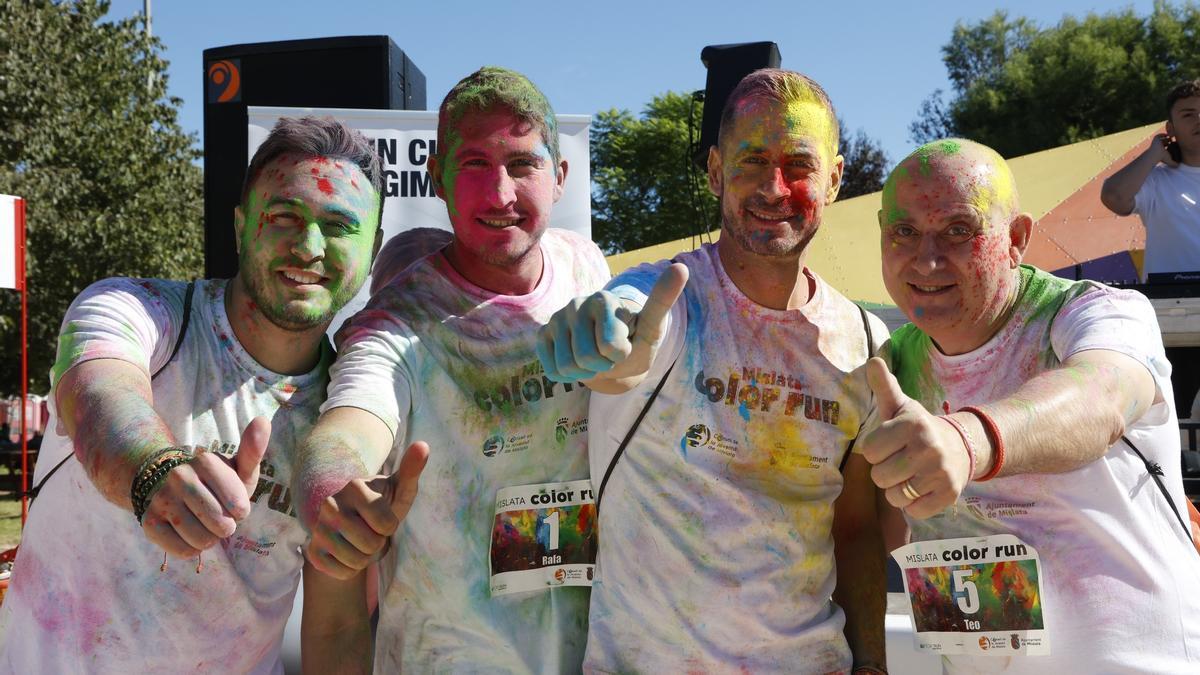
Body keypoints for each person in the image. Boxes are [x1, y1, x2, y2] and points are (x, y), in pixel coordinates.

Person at [0, 116, 385, 672]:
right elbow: (97, 393)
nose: (308, 247)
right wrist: (152, 469)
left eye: (339, 225)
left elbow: (338, 627)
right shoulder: (139, 310)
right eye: (283, 216)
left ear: (372, 249)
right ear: (240, 225)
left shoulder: (348, 421)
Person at [539, 68, 888, 674]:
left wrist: (874, 665)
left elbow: (855, 530)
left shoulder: (864, 342)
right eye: (751, 163)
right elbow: (625, 343)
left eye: (798, 166)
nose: (774, 189)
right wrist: (609, 343)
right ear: (715, 172)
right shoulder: (665, 295)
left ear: (834, 179)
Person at [292, 66, 610, 672]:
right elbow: (349, 425)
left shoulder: (585, 267)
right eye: (473, 165)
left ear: (560, 176)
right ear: (436, 176)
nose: (499, 194)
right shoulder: (395, 327)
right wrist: (334, 493)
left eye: (522, 164)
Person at [868, 138, 1200, 673]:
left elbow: (1101, 396)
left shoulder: (1097, 313)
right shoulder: (892, 364)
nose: (926, 259)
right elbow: (885, 534)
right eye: (904, 232)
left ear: (1016, 238)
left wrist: (966, 440)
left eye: (959, 231)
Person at [1101, 78, 1200, 279]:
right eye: (1188, 115)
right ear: (1170, 129)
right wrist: (1153, 154)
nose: (1199, 119)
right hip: (1172, 306)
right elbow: (1113, 197)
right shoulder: (1155, 180)